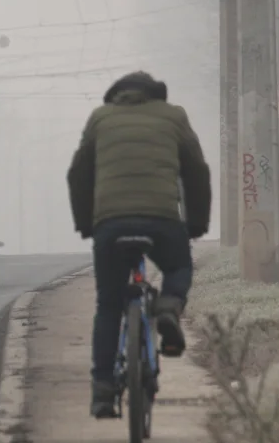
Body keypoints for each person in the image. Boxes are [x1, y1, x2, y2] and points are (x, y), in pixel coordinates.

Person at [66, 71, 212, 418]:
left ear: (116, 95)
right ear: (156, 95)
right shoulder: (173, 116)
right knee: (178, 266)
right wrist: (196, 224)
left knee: (109, 305)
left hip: (111, 224)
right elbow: (197, 171)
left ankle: (102, 391)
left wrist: (87, 224)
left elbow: (79, 173)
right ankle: (168, 308)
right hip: (162, 219)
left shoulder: (101, 118)